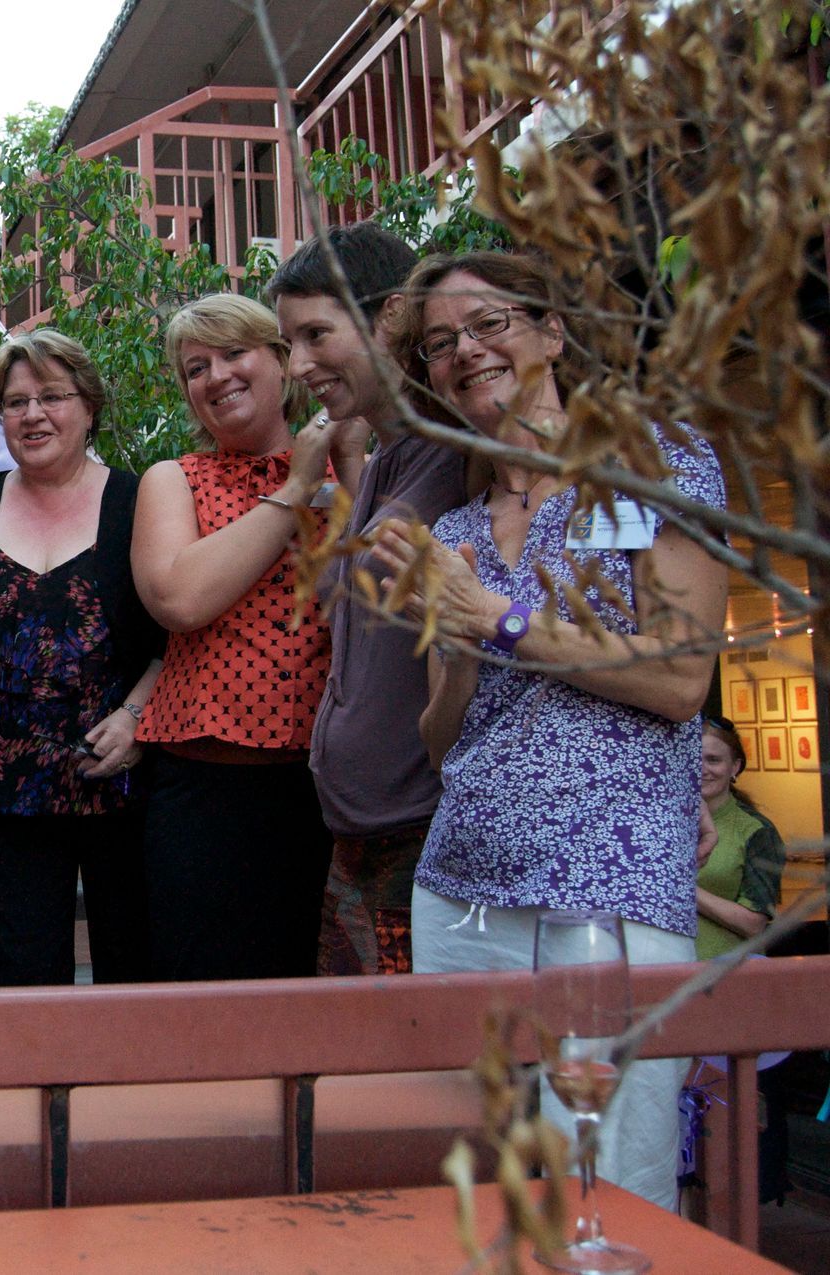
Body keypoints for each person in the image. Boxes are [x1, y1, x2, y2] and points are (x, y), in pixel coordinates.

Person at [371, 250, 727, 1210]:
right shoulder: (454, 533)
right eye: (442, 344)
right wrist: (455, 637)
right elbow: (445, 743)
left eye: (490, 325)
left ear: (552, 330)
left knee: (610, 1177)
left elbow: (682, 677)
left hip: (607, 882)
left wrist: (498, 618)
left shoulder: (657, 463)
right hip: (463, 890)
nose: (467, 353)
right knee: (478, 1179)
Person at [0, 330, 163, 987]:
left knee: (137, 973)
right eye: (15, 402)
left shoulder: (141, 504)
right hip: (11, 790)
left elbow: (182, 637)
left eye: (52, 396)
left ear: (89, 405)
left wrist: (137, 716)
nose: (33, 414)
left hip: (127, 785)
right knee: (21, 978)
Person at [268, 222, 470, 976]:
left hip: (424, 831)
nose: (299, 365)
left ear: (390, 316)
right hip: (358, 835)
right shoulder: (386, 459)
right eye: (292, 342)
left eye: (318, 334)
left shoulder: (464, 452)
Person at [131, 293, 350, 983]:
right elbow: (180, 596)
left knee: (320, 996)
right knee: (206, 998)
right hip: (206, 789)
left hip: (331, 788)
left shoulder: (354, 468)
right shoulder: (175, 479)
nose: (216, 375)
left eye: (234, 353)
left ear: (283, 362)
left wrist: (335, 466)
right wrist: (296, 488)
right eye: (196, 367)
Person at [696, 716, 784, 960]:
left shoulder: (757, 830)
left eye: (713, 760)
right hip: (664, 969)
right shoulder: (659, 820)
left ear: (734, 767)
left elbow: (754, 923)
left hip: (727, 973)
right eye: (692, 759)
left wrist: (682, 889)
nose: (702, 769)